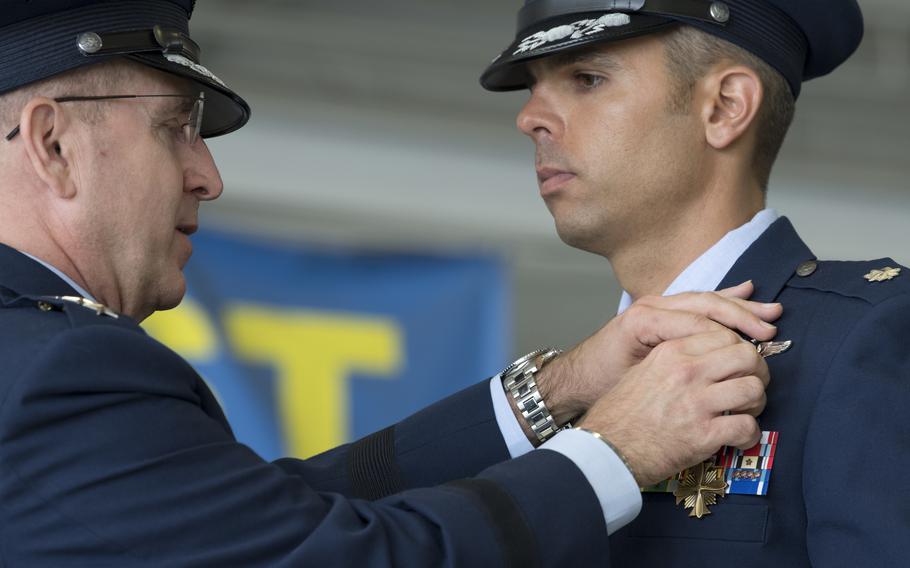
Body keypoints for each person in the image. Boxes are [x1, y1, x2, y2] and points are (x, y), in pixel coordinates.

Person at [0, 1, 778, 565]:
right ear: (52, 144)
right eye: (176, 127)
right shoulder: (59, 370)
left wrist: (555, 389)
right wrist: (616, 448)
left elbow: (281, 515)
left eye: (588, 78)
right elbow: (337, 556)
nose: (207, 176)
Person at [481, 0, 910, 565]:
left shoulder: (866, 336)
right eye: (532, 87)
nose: (530, 117)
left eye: (587, 78)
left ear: (725, 107)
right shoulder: (573, 386)